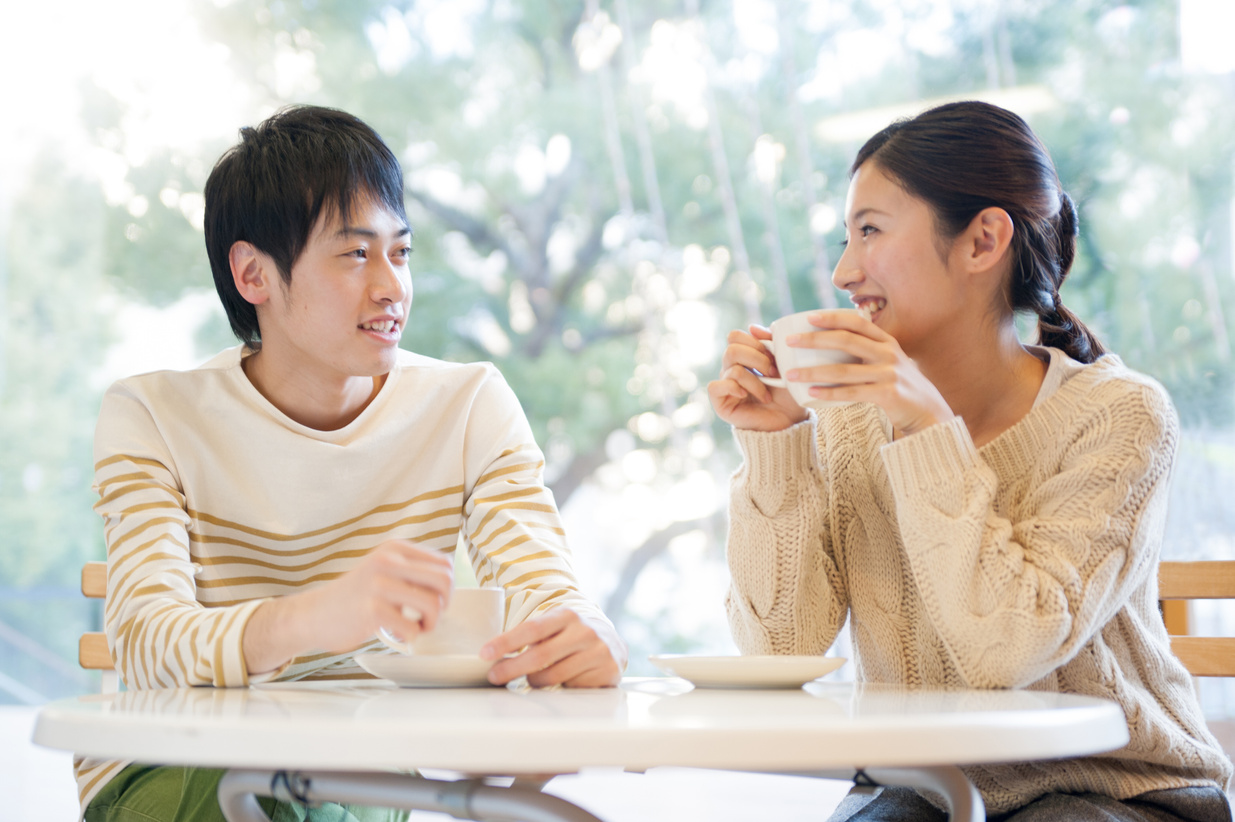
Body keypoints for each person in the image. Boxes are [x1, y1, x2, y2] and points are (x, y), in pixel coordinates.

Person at [80, 104, 626, 822]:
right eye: (354, 254)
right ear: (254, 275)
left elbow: (540, 585)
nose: (392, 287)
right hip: (177, 759)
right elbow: (147, 642)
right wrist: (317, 616)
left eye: (399, 252)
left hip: (358, 768)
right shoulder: (152, 416)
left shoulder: (469, 405)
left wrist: (587, 637)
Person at [708, 100, 1232, 821]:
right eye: (844, 238)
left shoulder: (1119, 415)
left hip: (1115, 789)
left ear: (982, 241)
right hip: (924, 790)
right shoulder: (844, 423)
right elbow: (776, 656)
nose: (841, 272)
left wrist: (925, 425)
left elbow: (1005, 650)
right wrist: (775, 447)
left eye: (869, 233)